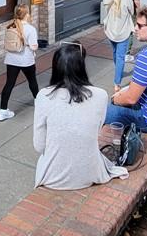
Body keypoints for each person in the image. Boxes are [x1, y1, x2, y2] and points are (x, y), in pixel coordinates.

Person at [33, 42, 128, 190]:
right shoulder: (100, 95)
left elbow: (39, 146)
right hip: (89, 174)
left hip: (52, 177)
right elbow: (93, 131)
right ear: (81, 67)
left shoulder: (44, 96)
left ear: (55, 68)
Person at [0, 4, 39, 121]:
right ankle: (39, 102)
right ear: (26, 15)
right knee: (32, 81)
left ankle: (2, 111)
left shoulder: (11, 26)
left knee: (9, 84)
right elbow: (34, 47)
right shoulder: (30, 29)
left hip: (11, 59)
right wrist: (32, 45)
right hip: (26, 60)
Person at [101, 0, 135, 93]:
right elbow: (132, 12)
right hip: (123, 31)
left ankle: (118, 72)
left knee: (115, 54)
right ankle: (117, 83)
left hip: (110, 30)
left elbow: (105, 11)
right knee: (120, 56)